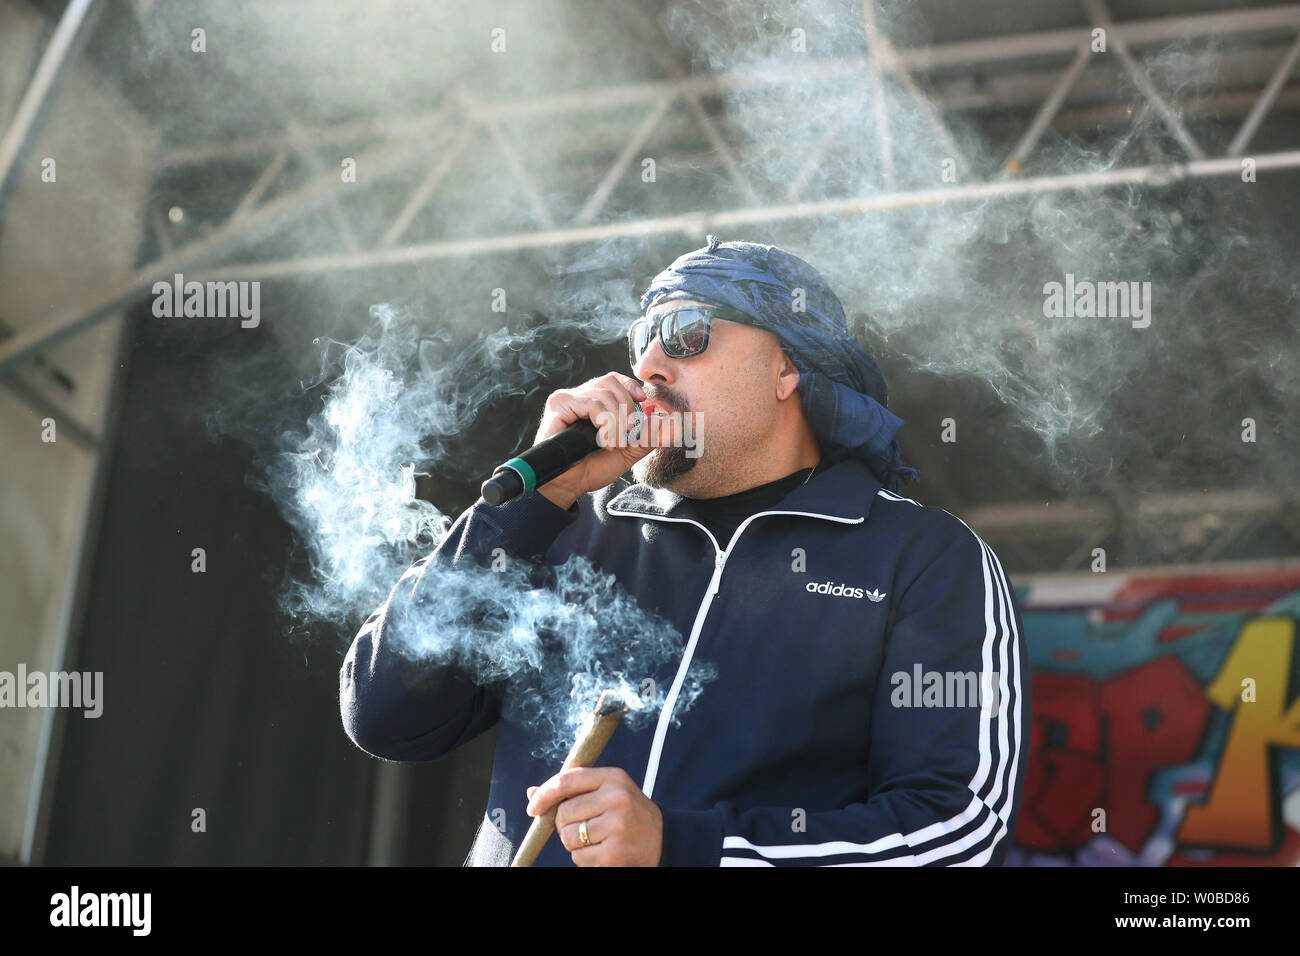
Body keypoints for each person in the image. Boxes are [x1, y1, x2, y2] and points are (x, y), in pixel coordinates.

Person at [339, 236, 1030, 866]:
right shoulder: (563, 532)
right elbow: (388, 715)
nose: (647, 364)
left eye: (685, 333)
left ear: (787, 367)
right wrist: (531, 506)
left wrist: (687, 848)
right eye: (643, 336)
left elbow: (955, 831)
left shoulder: (922, 558)